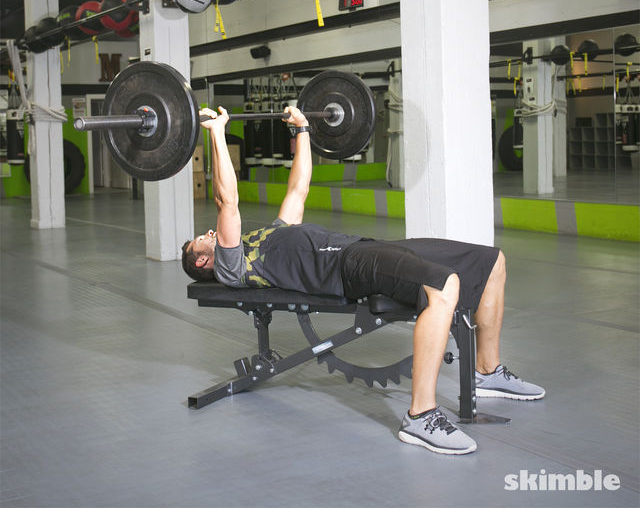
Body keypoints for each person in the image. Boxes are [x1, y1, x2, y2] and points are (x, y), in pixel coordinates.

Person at [182, 105, 545, 456]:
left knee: (490, 260)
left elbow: (298, 190)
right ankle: (420, 416)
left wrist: (303, 130)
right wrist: (217, 135)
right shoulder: (231, 265)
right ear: (202, 260)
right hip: (348, 268)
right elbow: (227, 201)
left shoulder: (267, 237)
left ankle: (487, 371)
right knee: (442, 284)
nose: (209, 232)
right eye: (201, 238)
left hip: (363, 248)